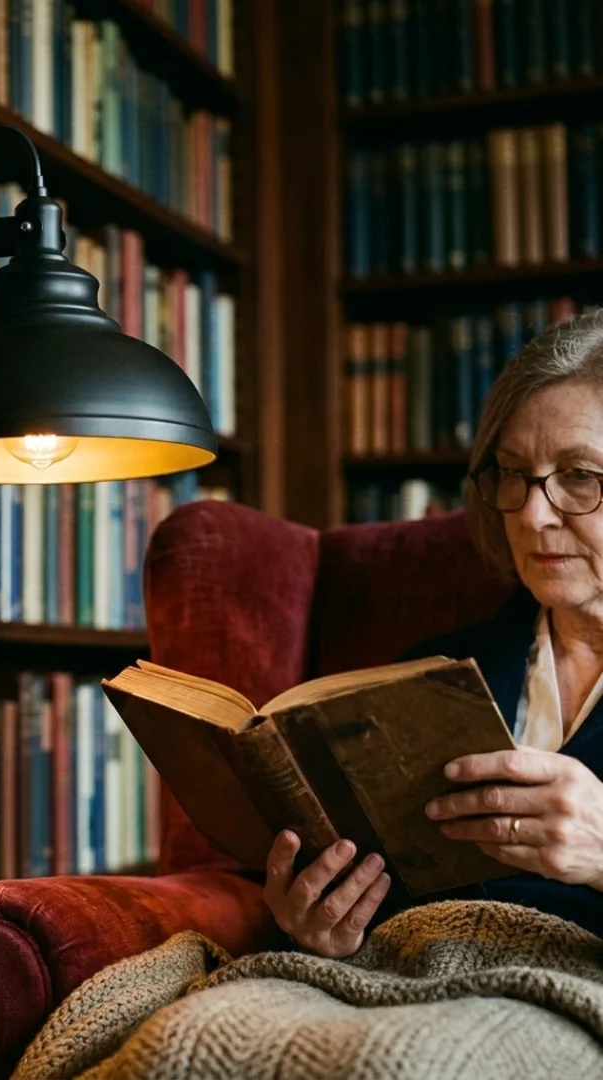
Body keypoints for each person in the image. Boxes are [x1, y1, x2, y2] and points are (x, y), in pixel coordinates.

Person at [264, 310, 603, 958]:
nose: (532, 515)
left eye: (580, 476)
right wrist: (317, 925)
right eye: (510, 473)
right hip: (403, 979)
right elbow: (373, 909)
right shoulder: (421, 680)